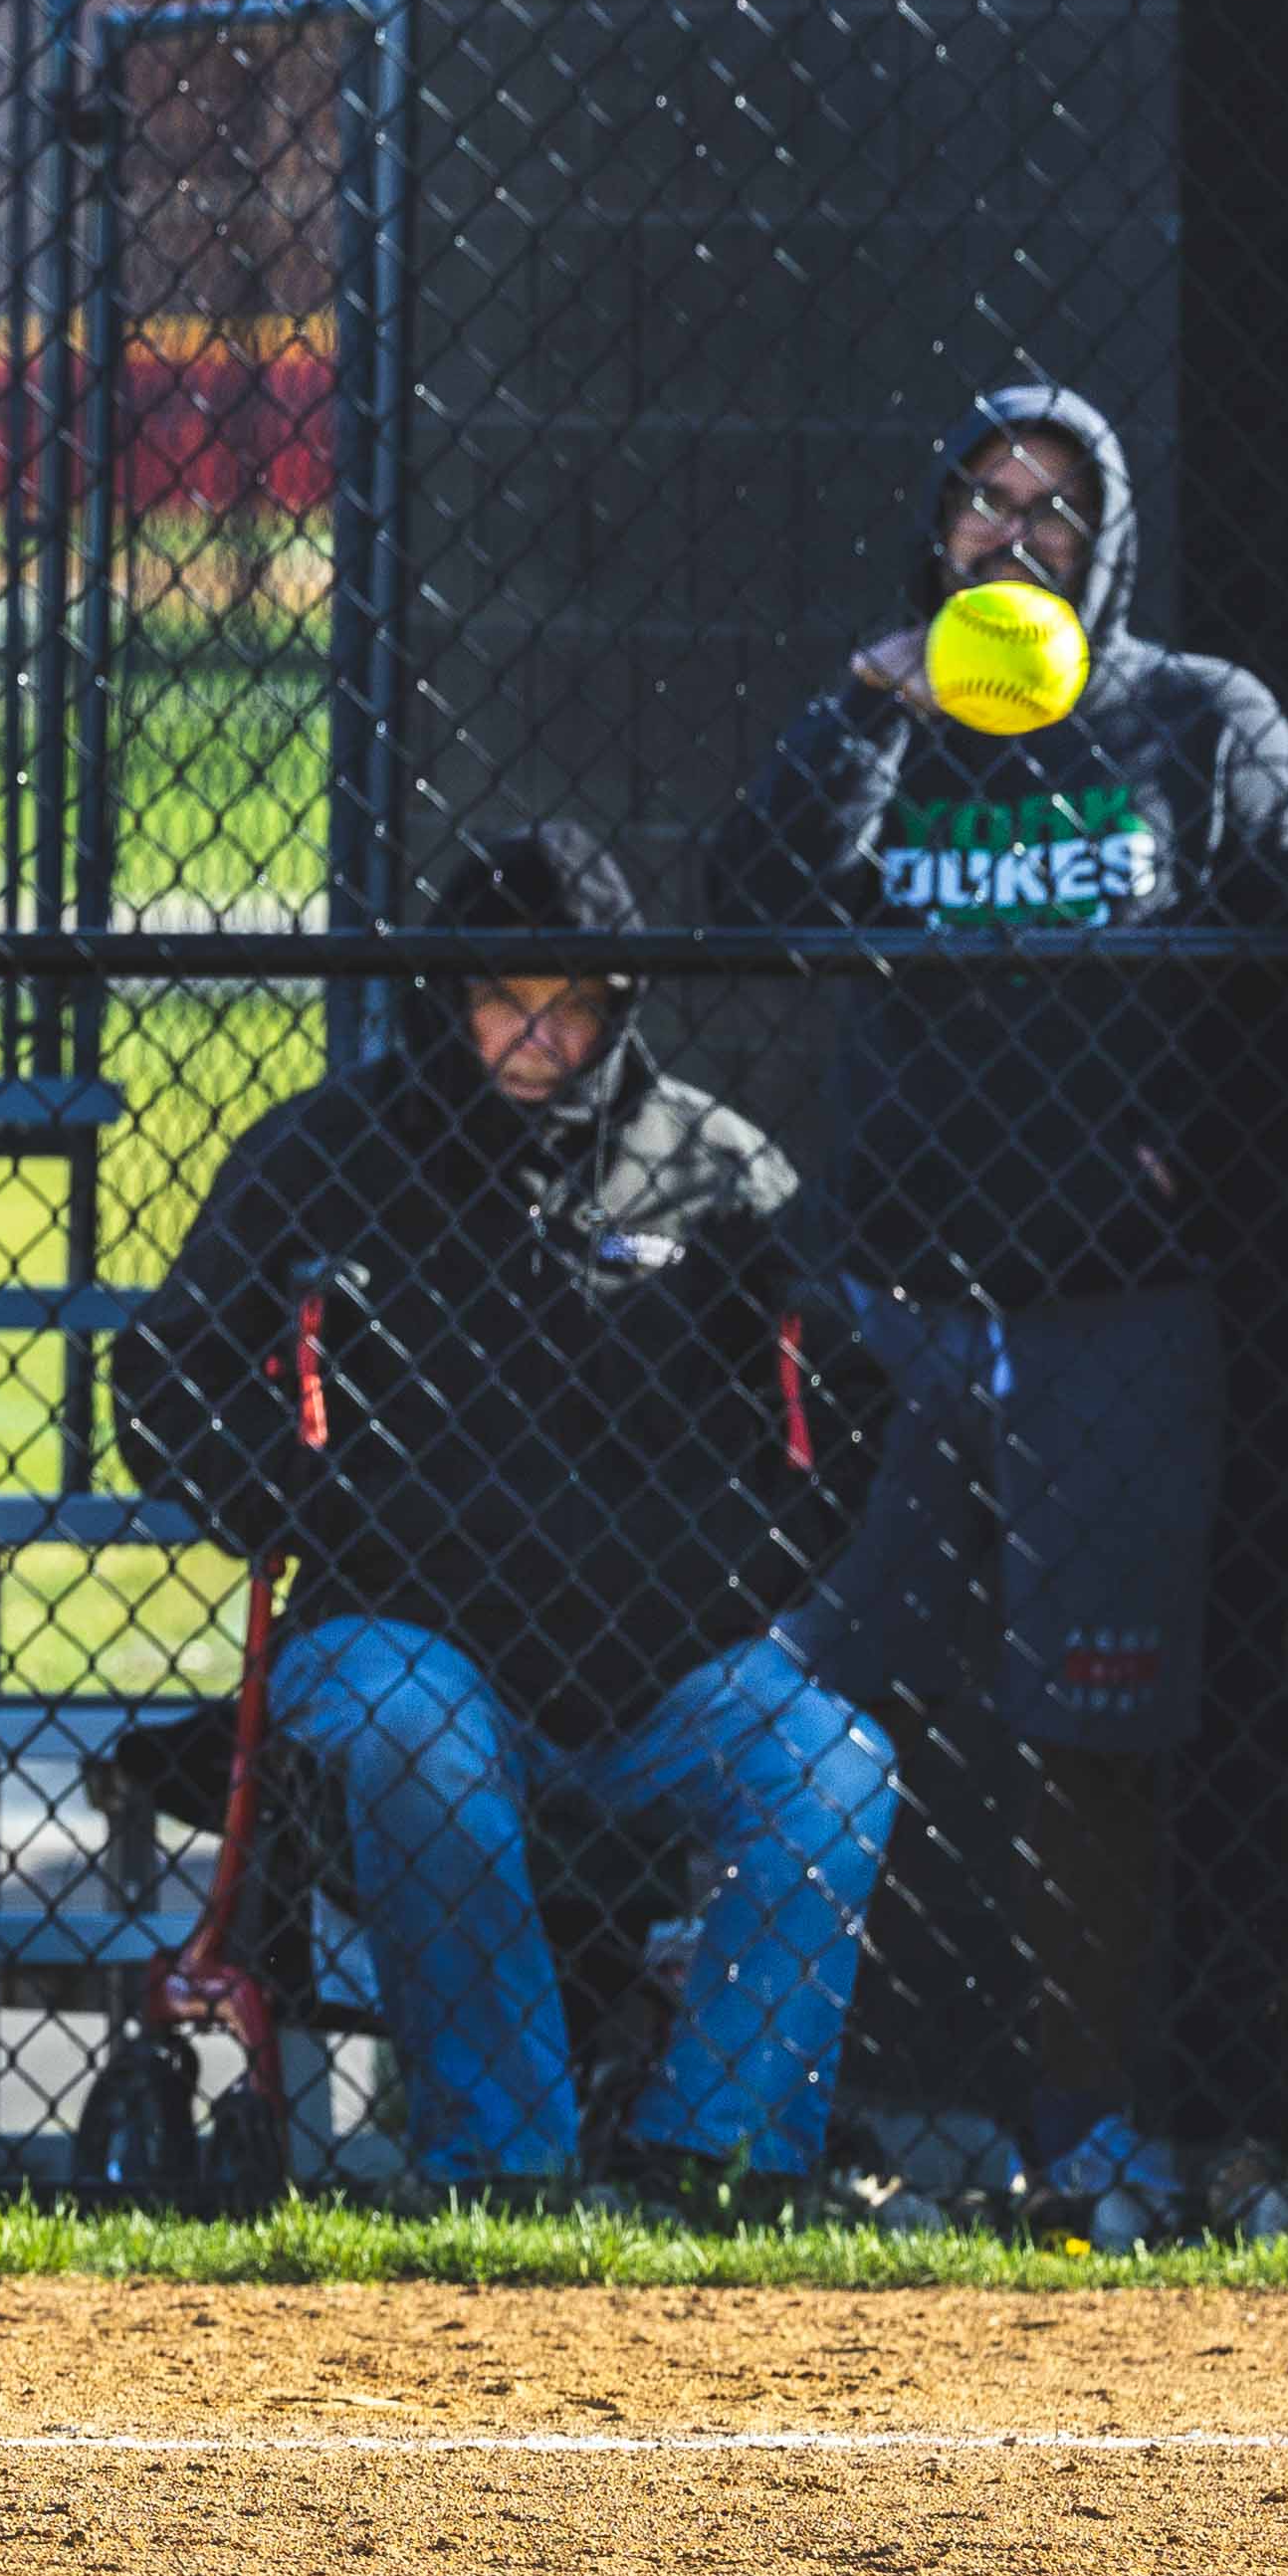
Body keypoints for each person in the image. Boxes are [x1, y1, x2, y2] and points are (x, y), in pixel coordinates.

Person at [711, 381, 1288, 2140]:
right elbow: (749, 905)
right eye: (982, 500)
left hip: (1116, 1312)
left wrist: (1192, 1154)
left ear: (1106, 537)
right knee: (806, 1716)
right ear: (937, 530)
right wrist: (859, 716)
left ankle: (1087, 2141)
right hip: (888, 1300)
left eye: (1053, 506)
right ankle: (763, 2124)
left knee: (1095, 1744)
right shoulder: (884, 718)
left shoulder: (1198, 721)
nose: (1013, 532)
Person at [117, 829, 897, 2193]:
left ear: (617, 1004)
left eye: (576, 1001)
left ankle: (713, 2151)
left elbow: (842, 1400)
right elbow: (162, 1377)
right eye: (503, 997)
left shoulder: (711, 1165)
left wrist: (731, 1581)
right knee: (412, 1721)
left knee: (833, 1765)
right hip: (394, 1627)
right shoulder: (325, 1152)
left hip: (659, 1663)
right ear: (447, 996)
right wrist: (310, 1502)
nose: (539, 1032)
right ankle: (506, 2156)